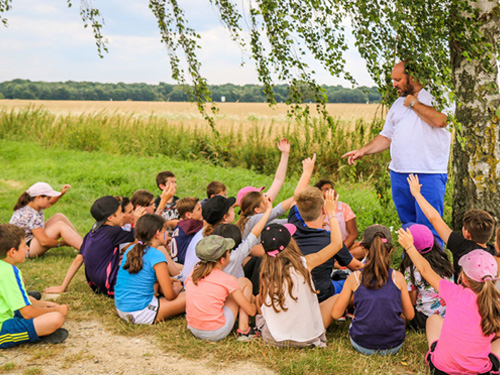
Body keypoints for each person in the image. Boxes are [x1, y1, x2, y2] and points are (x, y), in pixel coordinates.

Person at [342, 61, 455, 243]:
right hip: (399, 174)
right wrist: (363, 151)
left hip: (428, 173)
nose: (394, 84)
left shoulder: (439, 95)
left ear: (413, 77)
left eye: (398, 79)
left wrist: (414, 104)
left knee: (430, 227)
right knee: (408, 226)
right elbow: (387, 136)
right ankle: (410, 267)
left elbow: (440, 120)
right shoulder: (397, 104)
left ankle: (433, 269)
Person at [398, 229, 500, 375]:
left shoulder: (454, 292)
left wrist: (409, 246)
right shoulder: (494, 304)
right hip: (478, 372)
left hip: (441, 370)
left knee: (433, 319)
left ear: (463, 277)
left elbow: (425, 269)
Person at [256, 189, 343, 348]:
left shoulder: (265, 271)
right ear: (291, 242)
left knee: (260, 302)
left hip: (274, 337)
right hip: (305, 338)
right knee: (337, 297)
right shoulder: (305, 263)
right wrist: (331, 213)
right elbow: (337, 244)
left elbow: (261, 301)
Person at [289, 155, 364, 302]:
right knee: (352, 280)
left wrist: (307, 172)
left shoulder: (293, 225)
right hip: (322, 294)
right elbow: (356, 265)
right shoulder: (330, 239)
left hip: (297, 293)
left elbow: (296, 198)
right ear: (323, 211)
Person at [332, 225, 414, 355]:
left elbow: (336, 314)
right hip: (394, 346)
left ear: (363, 249)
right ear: (391, 250)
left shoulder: (354, 278)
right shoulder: (397, 277)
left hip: (362, 345)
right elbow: (410, 315)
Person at [407, 174, 496, 282]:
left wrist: (417, 194)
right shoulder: (494, 253)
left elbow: (434, 219)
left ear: (467, 233)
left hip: (461, 296)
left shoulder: (461, 246)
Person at [44, 196, 137, 295]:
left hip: (97, 286)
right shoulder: (113, 232)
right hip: (111, 286)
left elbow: (78, 259)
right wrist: (137, 218)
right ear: (110, 217)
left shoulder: (91, 234)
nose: (123, 216)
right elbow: (142, 233)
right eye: (120, 213)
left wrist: (63, 286)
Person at [0, 224, 69, 348]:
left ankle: (39, 330)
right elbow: (28, 313)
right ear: (12, 252)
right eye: (24, 245)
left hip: (5, 310)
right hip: (2, 328)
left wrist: (42, 305)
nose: (27, 248)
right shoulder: (9, 272)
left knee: (31, 299)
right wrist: (56, 310)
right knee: (56, 319)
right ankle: (36, 334)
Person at [114, 214, 185, 325]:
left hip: (121, 308)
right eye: (165, 231)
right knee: (190, 296)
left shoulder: (132, 249)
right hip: (140, 313)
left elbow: (144, 276)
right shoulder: (157, 256)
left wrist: (169, 280)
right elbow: (170, 295)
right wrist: (177, 288)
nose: (167, 234)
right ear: (157, 233)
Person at [184, 235, 257, 341]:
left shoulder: (193, 275)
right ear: (222, 260)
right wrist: (253, 303)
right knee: (245, 282)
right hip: (215, 332)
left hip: (194, 328)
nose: (229, 254)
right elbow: (251, 311)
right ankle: (244, 330)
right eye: (228, 253)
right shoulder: (227, 279)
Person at [399, 224, 453, 331]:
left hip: (425, 319)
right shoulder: (443, 261)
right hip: (448, 316)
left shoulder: (411, 270)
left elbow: (412, 301)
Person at [9, 182, 83, 257]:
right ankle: (87, 249)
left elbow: (50, 203)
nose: (49, 200)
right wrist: (63, 243)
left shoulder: (32, 204)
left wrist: (61, 194)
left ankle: (83, 244)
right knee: (60, 226)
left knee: (59, 217)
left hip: (26, 242)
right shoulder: (30, 214)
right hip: (25, 248)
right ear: (38, 197)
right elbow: (44, 242)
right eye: (48, 198)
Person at [213, 195, 273, 278]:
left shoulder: (211, 255)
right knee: (246, 281)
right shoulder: (235, 255)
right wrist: (269, 210)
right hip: (234, 287)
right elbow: (254, 233)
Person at [314, 179, 362, 259]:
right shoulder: (316, 210)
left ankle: (337, 261)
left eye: (332, 188)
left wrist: (340, 250)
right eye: (326, 189)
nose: (332, 191)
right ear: (318, 193)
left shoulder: (344, 207)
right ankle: (342, 261)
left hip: (345, 246)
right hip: (324, 249)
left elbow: (353, 234)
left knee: (362, 248)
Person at [170, 197, 204, 265]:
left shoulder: (183, 224)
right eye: (198, 209)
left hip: (177, 261)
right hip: (183, 264)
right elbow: (210, 223)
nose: (202, 211)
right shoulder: (191, 224)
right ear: (188, 215)